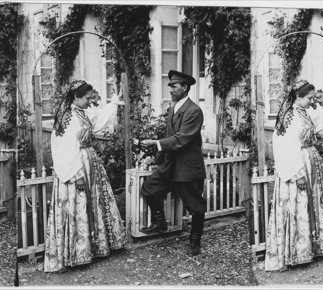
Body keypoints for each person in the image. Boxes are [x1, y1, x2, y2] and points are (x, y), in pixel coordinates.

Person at [44, 80, 127, 273]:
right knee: (77, 204)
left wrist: (115, 101)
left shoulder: (81, 112)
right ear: (76, 97)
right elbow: (63, 148)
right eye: (87, 98)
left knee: (93, 203)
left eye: (91, 97)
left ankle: (95, 247)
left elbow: (98, 119)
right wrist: (76, 175)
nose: (91, 101)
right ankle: (74, 254)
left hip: (90, 163)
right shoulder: (67, 117)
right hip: (76, 167)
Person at [265, 80, 323, 272]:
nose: (312, 101)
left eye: (312, 97)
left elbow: (322, 119)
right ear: (298, 97)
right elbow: (284, 148)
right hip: (298, 166)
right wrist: (297, 174)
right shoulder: (290, 116)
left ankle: (315, 246)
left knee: (314, 203)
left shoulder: (303, 113)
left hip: (311, 162)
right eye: (309, 98)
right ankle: (296, 252)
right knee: (298, 203)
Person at [139, 70, 207, 256]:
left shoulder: (194, 111)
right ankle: (160, 223)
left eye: (174, 86)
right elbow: (170, 136)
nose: (171, 90)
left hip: (187, 167)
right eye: (170, 87)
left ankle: (195, 242)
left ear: (185, 87)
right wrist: (157, 158)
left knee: (195, 206)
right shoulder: (173, 109)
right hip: (170, 165)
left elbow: (181, 139)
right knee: (149, 188)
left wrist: (155, 144)